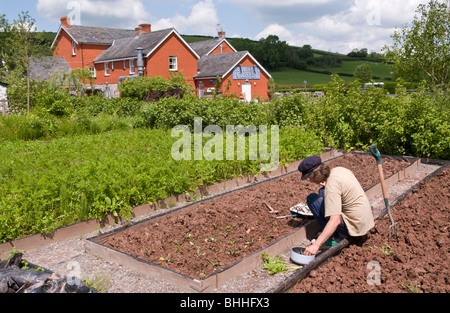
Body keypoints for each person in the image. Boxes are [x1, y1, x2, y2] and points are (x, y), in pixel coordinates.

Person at [298, 155, 374, 256]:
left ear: (317, 174)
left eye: (310, 178)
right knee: (322, 191)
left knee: (312, 199)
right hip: (364, 220)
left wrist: (316, 245)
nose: (310, 181)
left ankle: (335, 237)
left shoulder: (332, 187)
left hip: (355, 227)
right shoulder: (339, 170)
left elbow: (335, 220)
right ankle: (333, 233)